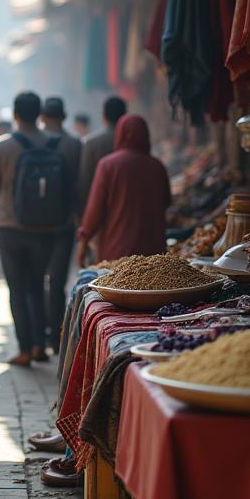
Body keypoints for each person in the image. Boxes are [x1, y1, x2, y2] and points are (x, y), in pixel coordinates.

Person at [0, 92, 77, 366]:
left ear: (15, 114)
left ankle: (25, 348)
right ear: (39, 114)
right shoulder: (56, 144)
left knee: (17, 288)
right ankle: (41, 344)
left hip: (10, 228)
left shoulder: (1, 146)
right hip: (46, 228)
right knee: (38, 285)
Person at [77, 115, 172, 265]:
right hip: (154, 257)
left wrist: (83, 241)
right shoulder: (157, 167)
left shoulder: (107, 165)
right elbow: (166, 202)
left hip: (115, 254)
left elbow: (94, 211)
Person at [40, 97, 82, 353]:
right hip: (65, 222)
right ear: (64, 117)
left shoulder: (34, 140)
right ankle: (57, 337)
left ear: (43, 117)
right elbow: (81, 184)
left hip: (33, 223)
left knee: (37, 280)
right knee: (57, 281)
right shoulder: (75, 144)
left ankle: (39, 335)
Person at [78, 95, 127, 212]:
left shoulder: (91, 143)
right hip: (127, 207)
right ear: (125, 115)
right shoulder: (134, 142)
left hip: (99, 208)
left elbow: (85, 183)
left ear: (103, 115)